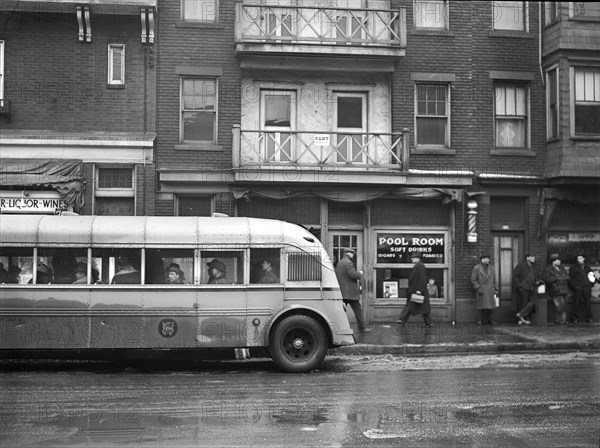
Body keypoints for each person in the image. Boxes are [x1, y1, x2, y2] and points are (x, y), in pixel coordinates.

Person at [335, 249, 371, 333]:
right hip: (350, 292)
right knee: (358, 310)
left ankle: (337, 326)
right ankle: (362, 327)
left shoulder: (340, 262)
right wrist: (360, 273)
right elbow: (353, 275)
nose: (353, 255)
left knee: (341, 310)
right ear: (347, 254)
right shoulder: (348, 263)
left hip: (343, 292)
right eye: (351, 253)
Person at [396, 252, 433, 327]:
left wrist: (419, 290)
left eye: (413, 258)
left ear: (417, 258)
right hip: (417, 291)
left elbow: (422, 279)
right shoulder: (418, 266)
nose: (412, 259)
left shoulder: (420, 266)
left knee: (411, 305)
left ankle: (402, 319)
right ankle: (428, 323)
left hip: (417, 291)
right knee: (422, 307)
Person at [568, 252, 596, 324]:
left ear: (584, 259)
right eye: (578, 258)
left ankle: (589, 318)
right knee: (576, 302)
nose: (579, 260)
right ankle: (574, 318)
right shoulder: (573, 267)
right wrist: (575, 286)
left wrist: (590, 284)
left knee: (588, 303)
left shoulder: (587, 267)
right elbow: (570, 278)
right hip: (578, 287)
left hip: (586, 287)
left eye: (580, 258)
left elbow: (592, 276)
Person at [470, 254, 498, 325]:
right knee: (481, 306)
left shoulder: (491, 268)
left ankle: (490, 319)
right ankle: (480, 320)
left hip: (490, 289)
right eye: (486, 259)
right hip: (481, 289)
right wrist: (478, 287)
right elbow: (473, 280)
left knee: (491, 306)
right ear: (482, 260)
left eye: (488, 259)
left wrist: (495, 288)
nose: (488, 260)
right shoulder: (476, 268)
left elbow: (494, 279)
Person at [514, 252, 538, 325]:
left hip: (531, 287)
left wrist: (537, 281)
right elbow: (515, 276)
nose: (534, 258)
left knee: (532, 303)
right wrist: (519, 285)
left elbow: (535, 276)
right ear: (527, 258)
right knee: (524, 303)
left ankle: (521, 314)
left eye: (534, 257)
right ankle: (525, 319)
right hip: (523, 287)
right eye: (532, 257)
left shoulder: (533, 266)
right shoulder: (521, 266)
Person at [544, 253, 568, 325]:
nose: (560, 261)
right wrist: (557, 279)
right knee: (559, 306)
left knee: (563, 306)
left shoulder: (562, 268)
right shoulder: (548, 269)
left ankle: (563, 320)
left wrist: (563, 278)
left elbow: (566, 276)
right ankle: (558, 319)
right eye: (558, 260)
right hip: (556, 290)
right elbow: (547, 279)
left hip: (564, 289)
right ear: (553, 261)